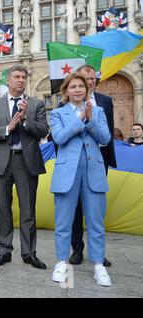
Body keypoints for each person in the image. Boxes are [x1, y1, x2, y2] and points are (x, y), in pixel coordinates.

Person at [0, 64, 48, 269]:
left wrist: (26, 119)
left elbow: (44, 130)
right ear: (8, 81)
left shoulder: (35, 104)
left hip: (25, 161)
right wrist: (7, 129)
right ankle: (4, 251)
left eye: (24, 77)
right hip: (2, 160)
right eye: (17, 77)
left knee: (28, 210)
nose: (21, 80)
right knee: (2, 208)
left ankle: (29, 253)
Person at [50, 72, 112, 287]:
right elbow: (58, 138)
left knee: (96, 221)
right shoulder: (57, 113)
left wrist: (91, 119)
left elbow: (105, 138)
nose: (78, 90)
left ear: (87, 89)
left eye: (81, 86)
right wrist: (79, 120)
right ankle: (61, 262)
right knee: (63, 222)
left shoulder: (99, 111)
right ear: (66, 91)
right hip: (67, 173)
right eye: (73, 86)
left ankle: (98, 265)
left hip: (93, 170)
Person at [68, 65, 116, 267]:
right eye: (87, 78)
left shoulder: (105, 101)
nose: (91, 81)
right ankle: (77, 250)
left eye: (94, 78)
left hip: (99, 160)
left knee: (95, 208)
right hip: (76, 160)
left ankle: (98, 253)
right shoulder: (69, 104)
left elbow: (109, 133)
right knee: (76, 207)